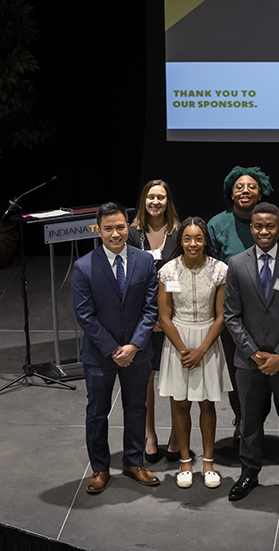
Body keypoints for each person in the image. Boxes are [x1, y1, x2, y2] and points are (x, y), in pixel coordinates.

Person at [223, 203, 279, 503]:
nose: (263, 231)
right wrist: (254, 354)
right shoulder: (236, 264)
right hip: (248, 362)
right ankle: (248, 473)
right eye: (258, 226)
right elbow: (231, 316)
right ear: (251, 228)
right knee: (249, 421)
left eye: (270, 226)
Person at [73, 202, 160, 494]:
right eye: (108, 228)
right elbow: (85, 315)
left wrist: (134, 345)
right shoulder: (84, 266)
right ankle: (99, 468)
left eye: (120, 227)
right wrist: (114, 349)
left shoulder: (145, 261)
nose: (115, 234)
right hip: (100, 355)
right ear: (98, 229)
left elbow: (151, 309)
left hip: (138, 352)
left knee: (136, 407)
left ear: (128, 226)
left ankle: (133, 462)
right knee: (97, 412)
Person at [208, 166, 279, 449]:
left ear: (261, 191)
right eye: (239, 186)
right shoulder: (217, 224)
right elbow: (211, 270)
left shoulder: (276, 224)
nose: (245, 190)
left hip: (271, 313)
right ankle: (242, 420)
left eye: (252, 186)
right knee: (237, 372)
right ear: (231, 191)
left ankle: (259, 419)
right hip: (233, 314)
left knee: (270, 374)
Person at [157, 217, 231, 489]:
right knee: (179, 403)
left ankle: (208, 462)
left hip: (207, 340)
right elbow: (165, 317)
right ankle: (185, 462)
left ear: (205, 241)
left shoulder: (219, 270)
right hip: (177, 341)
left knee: (207, 403)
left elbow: (221, 316)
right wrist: (182, 349)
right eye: (187, 238)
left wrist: (201, 350)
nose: (192, 243)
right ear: (180, 242)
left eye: (198, 238)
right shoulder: (168, 271)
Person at [127, 179, 181, 464]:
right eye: (151, 197)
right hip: (142, 318)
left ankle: (176, 435)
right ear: (144, 201)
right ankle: (150, 435)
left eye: (161, 197)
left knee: (172, 379)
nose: (156, 202)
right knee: (145, 380)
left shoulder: (180, 231)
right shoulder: (132, 233)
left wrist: (166, 317)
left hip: (175, 316)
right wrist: (152, 317)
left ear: (167, 201)